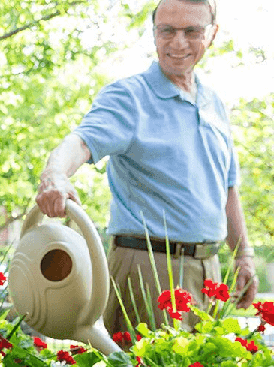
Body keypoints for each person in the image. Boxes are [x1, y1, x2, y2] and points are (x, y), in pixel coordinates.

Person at [35, 0, 257, 335]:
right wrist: (55, 175)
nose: (177, 42)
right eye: (166, 30)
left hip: (209, 269)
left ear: (212, 34)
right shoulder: (129, 97)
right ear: (154, 33)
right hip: (148, 267)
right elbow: (80, 142)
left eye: (191, 31)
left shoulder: (214, 103)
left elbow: (226, 187)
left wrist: (243, 256)